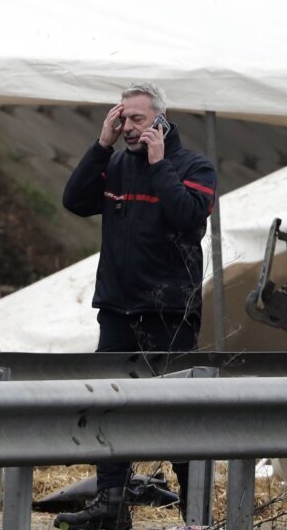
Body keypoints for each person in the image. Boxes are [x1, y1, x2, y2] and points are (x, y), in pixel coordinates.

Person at [56, 83, 217, 530]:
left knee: (176, 415)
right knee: (109, 406)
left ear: (161, 122)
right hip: (117, 311)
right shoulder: (116, 165)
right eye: (122, 119)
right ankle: (110, 505)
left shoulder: (195, 167)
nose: (127, 127)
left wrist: (159, 164)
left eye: (137, 120)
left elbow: (188, 216)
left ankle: (196, 516)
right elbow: (74, 200)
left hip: (169, 315)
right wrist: (101, 144)